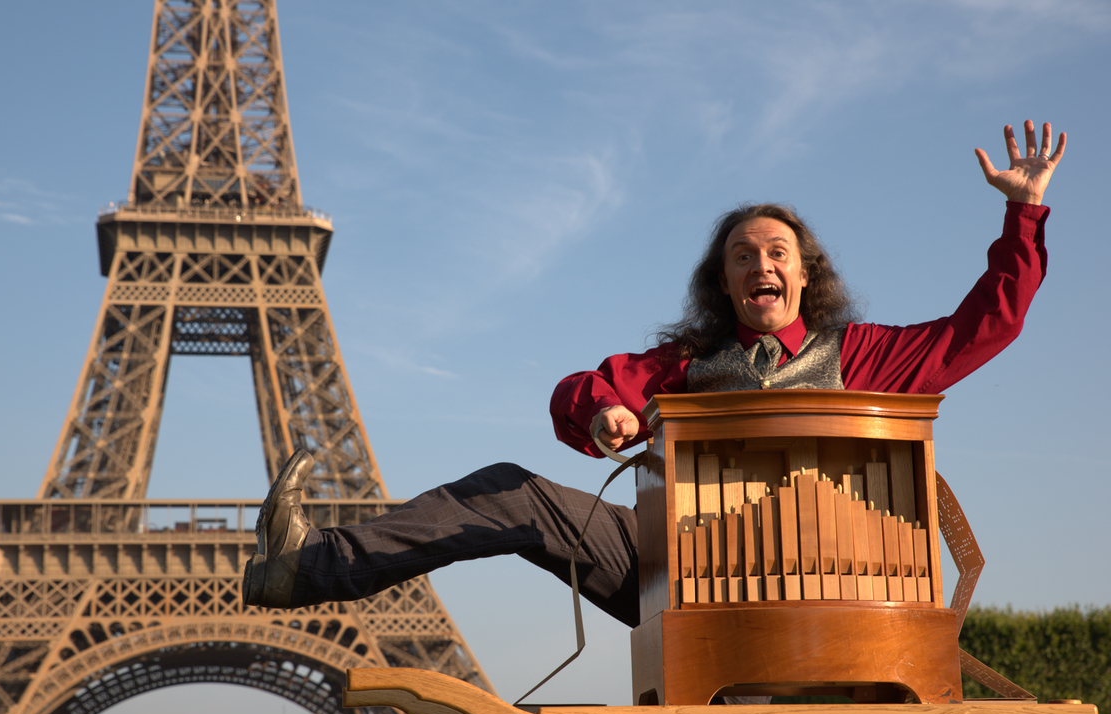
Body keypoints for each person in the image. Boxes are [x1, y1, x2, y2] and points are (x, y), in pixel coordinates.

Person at [242, 121, 1065, 630]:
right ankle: (305, 568)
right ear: (726, 282)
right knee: (508, 489)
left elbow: (985, 323)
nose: (760, 265)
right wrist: (605, 413)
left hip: (825, 582)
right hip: (678, 571)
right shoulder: (683, 367)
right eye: (742, 256)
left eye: (777, 253)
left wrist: (1021, 214)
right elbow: (583, 389)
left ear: (805, 275)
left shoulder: (871, 359)